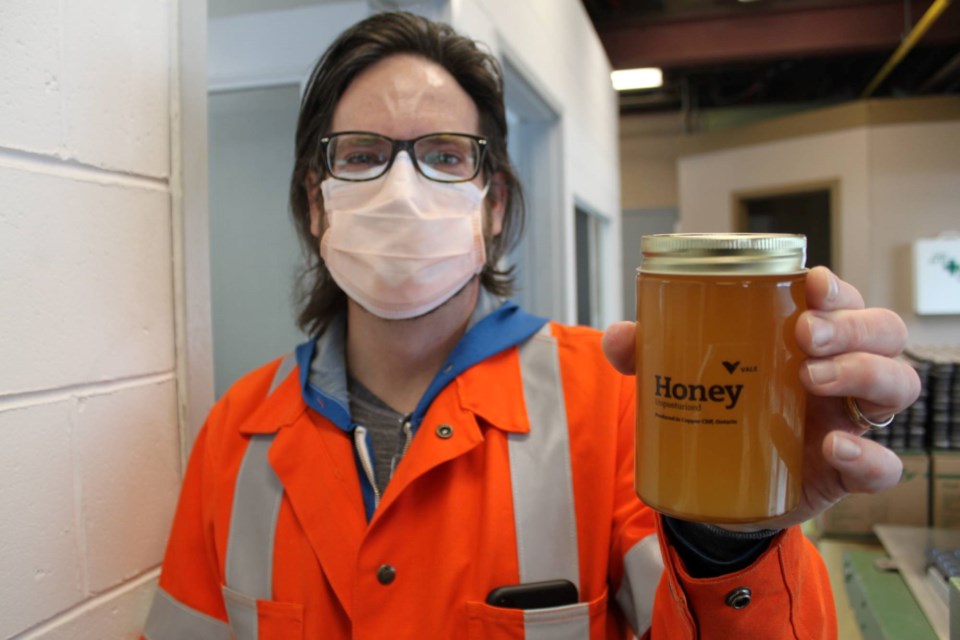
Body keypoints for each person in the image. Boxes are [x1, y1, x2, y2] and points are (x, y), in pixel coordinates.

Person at [143, 11, 919, 640]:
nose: (404, 186)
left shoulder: (618, 404)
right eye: (363, 155)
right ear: (316, 203)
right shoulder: (234, 437)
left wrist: (737, 538)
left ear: (497, 205)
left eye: (446, 156)